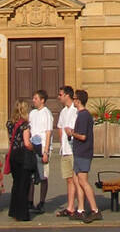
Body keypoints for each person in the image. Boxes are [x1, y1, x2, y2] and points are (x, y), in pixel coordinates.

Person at [66, 89, 101, 221]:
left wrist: (71, 133)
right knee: (76, 180)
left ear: (78, 101)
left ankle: (95, 209)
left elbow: (83, 136)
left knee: (83, 181)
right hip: (79, 152)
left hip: (83, 152)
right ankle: (80, 209)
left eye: (74, 98)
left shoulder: (83, 115)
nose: (73, 100)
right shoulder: (81, 115)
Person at [6, 100, 35, 222]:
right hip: (23, 155)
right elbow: (27, 143)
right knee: (24, 185)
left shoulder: (9, 123)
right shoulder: (25, 125)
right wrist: (35, 148)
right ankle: (22, 214)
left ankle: (13, 211)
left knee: (16, 184)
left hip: (13, 155)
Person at [27, 89, 53, 214]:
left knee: (43, 176)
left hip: (42, 147)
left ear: (42, 100)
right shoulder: (32, 113)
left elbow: (48, 132)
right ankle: (30, 201)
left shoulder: (46, 113)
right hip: (33, 145)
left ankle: (42, 201)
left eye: (36, 98)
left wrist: (46, 152)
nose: (34, 100)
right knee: (31, 176)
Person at [54, 85, 78, 218]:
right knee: (69, 179)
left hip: (74, 149)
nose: (59, 97)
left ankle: (80, 207)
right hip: (65, 150)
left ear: (67, 95)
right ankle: (70, 207)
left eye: (60, 94)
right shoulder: (63, 112)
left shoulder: (76, 111)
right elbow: (60, 128)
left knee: (77, 179)